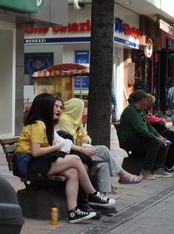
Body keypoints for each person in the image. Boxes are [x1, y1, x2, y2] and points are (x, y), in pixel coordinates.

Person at [15, 93, 115, 224]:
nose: (58, 110)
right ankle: (93, 194)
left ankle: (74, 212)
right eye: (54, 106)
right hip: (28, 163)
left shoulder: (45, 124)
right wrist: (56, 148)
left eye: (59, 107)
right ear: (45, 107)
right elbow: (36, 152)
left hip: (36, 161)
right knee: (75, 160)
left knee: (73, 172)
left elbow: (61, 142)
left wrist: (77, 148)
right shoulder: (38, 125)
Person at [58, 97, 141, 192]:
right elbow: (70, 140)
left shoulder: (76, 120)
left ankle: (103, 196)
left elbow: (86, 136)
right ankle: (123, 174)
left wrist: (86, 141)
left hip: (81, 149)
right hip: (72, 152)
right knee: (103, 150)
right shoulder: (64, 119)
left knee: (104, 164)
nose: (82, 112)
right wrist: (82, 142)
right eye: (81, 109)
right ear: (75, 108)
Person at [117, 90, 172, 180]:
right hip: (129, 140)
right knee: (155, 143)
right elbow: (139, 130)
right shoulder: (130, 111)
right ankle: (146, 170)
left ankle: (158, 169)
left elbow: (148, 126)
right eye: (146, 99)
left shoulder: (141, 110)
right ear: (141, 100)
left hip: (139, 138)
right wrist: (156, 138)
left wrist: (159, 136)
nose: (148, 101)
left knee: (165, 142)